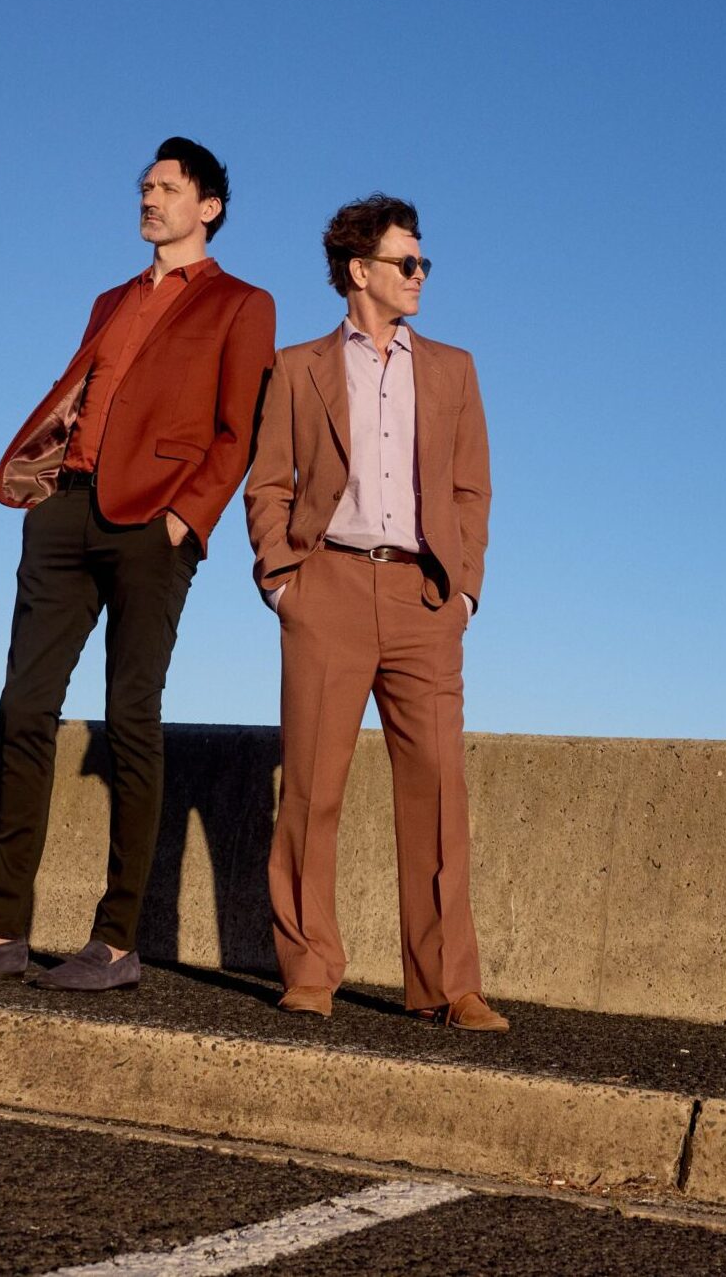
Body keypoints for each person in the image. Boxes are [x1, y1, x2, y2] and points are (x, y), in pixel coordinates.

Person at [0, 137, 275, 990]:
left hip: (154, 522)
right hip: (65, 511)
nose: (149, 198)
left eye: (167, 188)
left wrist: (187, 517)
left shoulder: (242, 303)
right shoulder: (110, 299)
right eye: (144, 186)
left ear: (208, 206)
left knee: (130, 717)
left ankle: (116, 941)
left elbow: (238, 427)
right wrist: (46, 490)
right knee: (23, 707)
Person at [245, 194, 507, 1030]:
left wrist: (462, 589)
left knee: (438, 789)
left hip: (422, 596)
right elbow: (269, 481)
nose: (420, 275)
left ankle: (447, 985)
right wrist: (282, 581)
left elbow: (470, 488)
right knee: (311, 791)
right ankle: (309, 970)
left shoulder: (453, 369)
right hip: (326, 587)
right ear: (360, 272)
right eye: (406, 262)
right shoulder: (298, 368)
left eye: (422, 261)